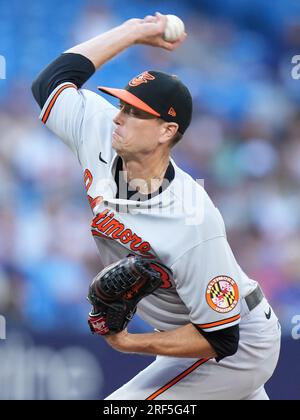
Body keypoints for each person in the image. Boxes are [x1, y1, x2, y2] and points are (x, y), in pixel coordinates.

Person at [31, 13, 281, 400]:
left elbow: (221, 338)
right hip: (202, 334)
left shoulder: (191, 218)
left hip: (236, 344)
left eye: (134, 111)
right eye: (121, 104)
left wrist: (128, 342)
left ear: (167, 131)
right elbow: (50, 82)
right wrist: (131, 33)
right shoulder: (101, 132)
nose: (118, 116)